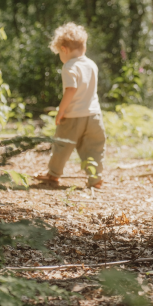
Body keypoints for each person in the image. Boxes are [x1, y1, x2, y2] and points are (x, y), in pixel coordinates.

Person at [34, 22, 106, 187]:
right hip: (94, 115)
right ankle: (96, 178)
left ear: (64, 49)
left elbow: (71, 89)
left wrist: (61, 110)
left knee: (62, 146)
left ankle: (53, 174)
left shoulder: (69, 67)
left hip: (74, 116)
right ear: (84, 47)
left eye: (59, 52)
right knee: (94, 148)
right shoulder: (92, 65)